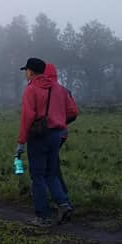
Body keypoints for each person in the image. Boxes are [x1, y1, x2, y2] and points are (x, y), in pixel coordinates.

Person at [16, 57, 79, 227]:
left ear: (31, 71)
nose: (25, 74)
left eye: (26, 71)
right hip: (57, 135)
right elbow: (70, 111)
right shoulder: (59, 89)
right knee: (51, 174)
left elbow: (27, 117)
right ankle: (63, 204)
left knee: (37, 176)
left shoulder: (31, 90)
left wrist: (21, 141)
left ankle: (42, 216)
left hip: (38, 136)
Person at [44, 63, 71, 197]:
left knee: (49, 167)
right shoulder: (64, 90)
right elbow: (73, 112)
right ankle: (59, 195)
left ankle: (60, 197)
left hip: (46, 133)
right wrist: (62, 122)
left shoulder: (42, 89)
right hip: (62, 133)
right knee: (53, 163)